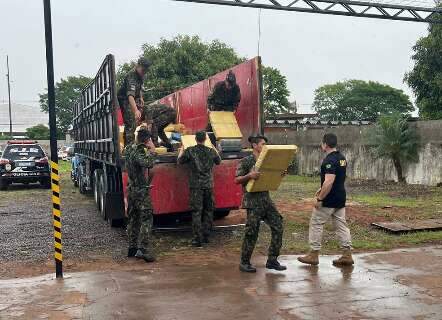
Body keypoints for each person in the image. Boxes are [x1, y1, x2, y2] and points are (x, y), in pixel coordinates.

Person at [298, 133, 354, 267]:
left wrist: (320, 197)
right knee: (341, 226)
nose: (321, 145)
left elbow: (329, 182)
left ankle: (313, 254)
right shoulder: (341, 158)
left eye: (321, 143)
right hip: (340, 197)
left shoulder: (329, 161)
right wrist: (321, 188)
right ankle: (347, 255)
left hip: (329, 199)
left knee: (316, 223)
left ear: (325, 144)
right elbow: (337, 179)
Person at [235, 134, 286, 273]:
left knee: (278, 225)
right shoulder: (246, 161)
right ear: (255, 145)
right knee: (252, 232)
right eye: (263, 144)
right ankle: (244, 262)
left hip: (266, 199)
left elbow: (272, 176)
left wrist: (280, 173)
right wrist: (249, 176)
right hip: (252, 201)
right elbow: (237, 180)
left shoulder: (267, 161)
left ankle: (272, 260)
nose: (264, 146)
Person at [177, 131, 221, 247]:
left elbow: (180, 161)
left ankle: (197, 239)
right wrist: (214, 148)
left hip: (196, 186)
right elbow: (218, 161)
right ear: (206, 139)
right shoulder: (211, 151)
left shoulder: (190, 150)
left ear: (195, 139)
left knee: (196, 212)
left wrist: (181, 151)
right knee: (208, 210)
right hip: (208, 185)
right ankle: (206, 236)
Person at [123, 127, 157, 262]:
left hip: (132, 189)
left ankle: (132, 248)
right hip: (140, 191)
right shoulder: (138, 151)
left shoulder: (129, 147)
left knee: (133, 219)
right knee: (146, 219)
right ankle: (142, 250)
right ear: (147, 139)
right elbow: (148, 163)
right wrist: (152, 151)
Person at [117, 57, 151, 146]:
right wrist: (135, 110)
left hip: (134, 97)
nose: (144, 73)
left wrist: (141, 98)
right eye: (143, 70)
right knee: (130, 122)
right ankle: (129, 149)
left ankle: (130, 145)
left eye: (146, 71)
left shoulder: (141, 75)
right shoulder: (131, 76)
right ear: (138, 66)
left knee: (143, 113)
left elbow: (139, 88)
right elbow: (130, 95)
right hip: (125, 98)